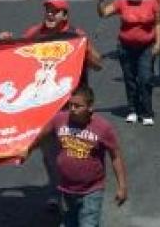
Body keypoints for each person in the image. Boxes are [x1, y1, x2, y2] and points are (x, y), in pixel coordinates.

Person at [44, 86, 128, 226]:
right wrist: (22, 151)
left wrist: (122, 186)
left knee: (88, 223)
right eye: (70, 104)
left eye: (77, 106)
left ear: (90, 107)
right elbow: (39, 136)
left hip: (92, 190)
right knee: (71, 222)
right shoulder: (59, 119)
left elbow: (115, 156)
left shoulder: (103, 128)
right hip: (66, 189)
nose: (72, 109)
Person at [97, 0, 160, 126]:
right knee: (130, 79)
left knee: (145, 78)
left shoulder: (152, 2)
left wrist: (158, 43)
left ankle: (147, 112)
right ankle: (133, 109)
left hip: (146, 47)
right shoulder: (122, 2)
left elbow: (158, 23)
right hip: (126, 47)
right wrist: (100, 1)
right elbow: (103, 13)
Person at [0, 0, 103, 81]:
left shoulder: (76, 35)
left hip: (71, 87)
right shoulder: (36, 32)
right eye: (48, 10)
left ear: (65, 16)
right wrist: (6, 42)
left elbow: (98, 65)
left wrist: (84, 54)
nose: (50, 14)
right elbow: (18, 51)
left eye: (55, 11)